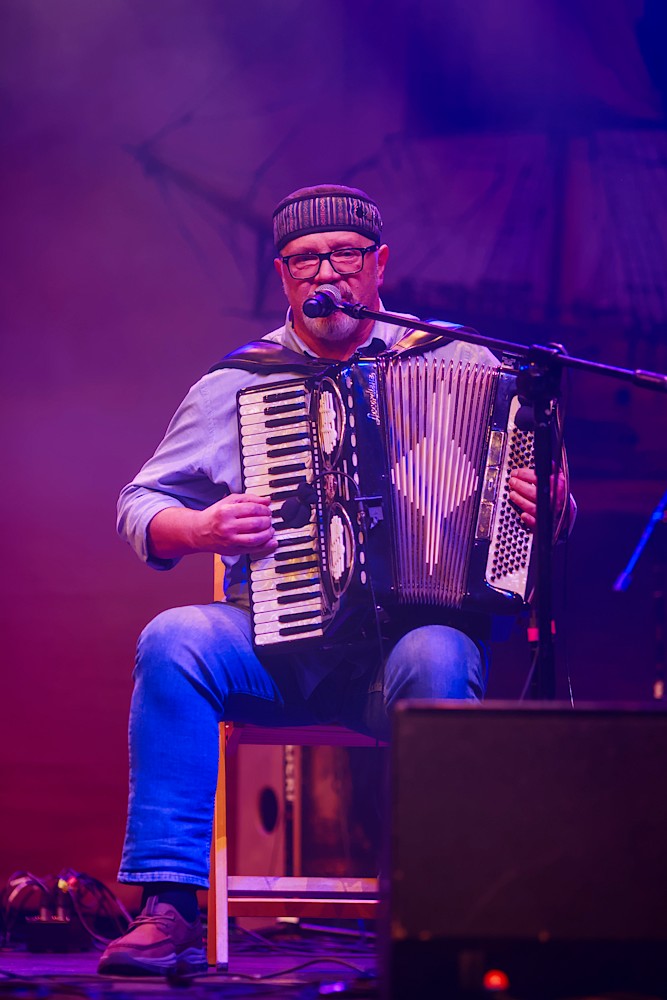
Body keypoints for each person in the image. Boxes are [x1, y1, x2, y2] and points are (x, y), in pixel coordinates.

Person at [98, 184, 570, 976]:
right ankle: (170, 904)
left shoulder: (460, 362)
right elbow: (139, 504)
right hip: (278, 653)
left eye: (344, 255)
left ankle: (436, 904)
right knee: (173, 638)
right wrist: (202, 527)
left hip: (402, 658)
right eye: (304, 259)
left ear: (378, 265)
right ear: (282, 275)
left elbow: (545, 512)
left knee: (440, 653)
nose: (326, 272)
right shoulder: (240, 382)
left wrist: (548, 501)